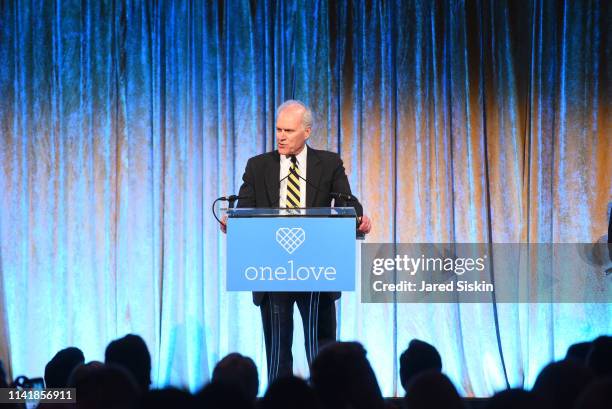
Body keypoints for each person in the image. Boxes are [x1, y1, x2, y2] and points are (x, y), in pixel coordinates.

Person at [221, 100, 371, 381]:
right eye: (278, 129)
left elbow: (346, 203)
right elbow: (245, 208)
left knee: (322, 353)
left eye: (288, 130)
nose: (280, 136)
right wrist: (233, 221)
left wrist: (359, 218)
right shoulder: (258, 166)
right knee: (278, 354)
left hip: (317, 269)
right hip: (272, 269)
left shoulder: (328, 163)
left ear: (307, 132)